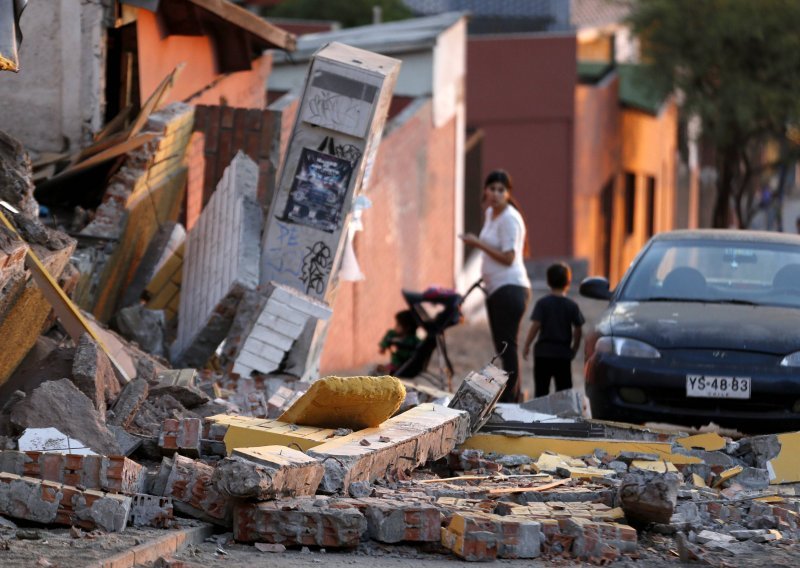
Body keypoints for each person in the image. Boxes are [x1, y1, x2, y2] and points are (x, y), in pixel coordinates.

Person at [459, 170, 531, 402]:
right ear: (485, 190)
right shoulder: (491, 213)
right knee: (501, 346)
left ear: (508, 194)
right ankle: (510, 394)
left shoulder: (510, 218)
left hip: (510, 288)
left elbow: (509, 257)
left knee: (508, 346)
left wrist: (477, 243)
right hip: (495, 289)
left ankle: (513, 397)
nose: (496, 194)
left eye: (502, 190)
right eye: (492, 188)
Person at [522, 262, 585, 397]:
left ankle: (540, 416)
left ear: (548, 282)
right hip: (563, 354)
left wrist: (527, 345)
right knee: (563, 391)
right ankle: (561, 416)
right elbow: (578, 329)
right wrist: (574, 348)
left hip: (543, 354)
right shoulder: (572, 305)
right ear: (568, 282)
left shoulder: (542, 303)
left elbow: (535, 326)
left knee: (541, 390)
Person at [377, 310, 421, 374]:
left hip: (402, 366)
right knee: (377, 369)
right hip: (394, 363)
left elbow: (418, 347)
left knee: (381, 372)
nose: (395, 327)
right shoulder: (393, 334)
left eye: (398, 325)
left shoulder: (413, 340)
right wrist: (383, 347)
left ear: (407, 328)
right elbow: (387, 338)